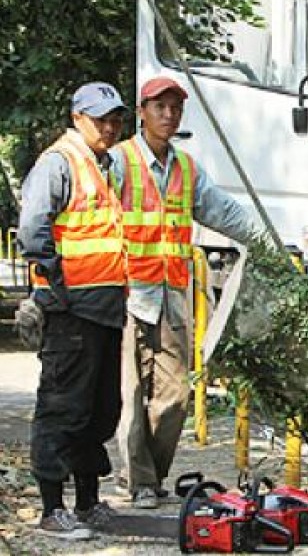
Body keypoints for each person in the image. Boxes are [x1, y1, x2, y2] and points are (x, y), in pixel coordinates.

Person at [111, 76, 262, 509]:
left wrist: (262, 241)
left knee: (175, 397)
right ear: (142, 112)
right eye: (159, 106)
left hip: (172, 295)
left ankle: (150, 475)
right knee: (132, 394)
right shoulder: (120, 162)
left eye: (175, 107)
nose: (168, 114)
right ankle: (139, 480)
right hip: (128, 296)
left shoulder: (187, 169)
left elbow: (223, 211)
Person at [16, 83, 129, 540]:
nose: (109, 126)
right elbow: (33, 230)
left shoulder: (104, 165)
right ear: (78, 117)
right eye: (101, 118)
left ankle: (87, 502)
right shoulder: (59, 163)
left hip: (104, 310)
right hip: (72, 311)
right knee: (63, 408)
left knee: (99, 410)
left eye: (116, 118)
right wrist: (55, 290)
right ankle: (51, 509)